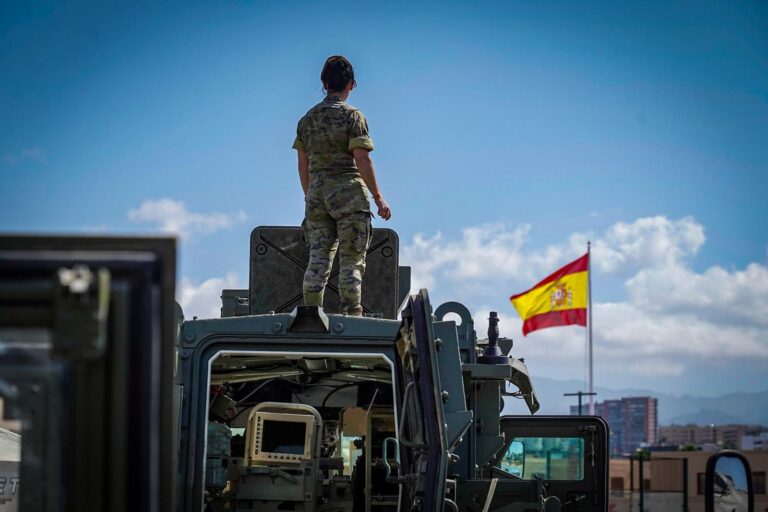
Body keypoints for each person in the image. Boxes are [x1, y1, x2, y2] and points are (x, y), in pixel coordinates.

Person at [292, 55, 392, 316]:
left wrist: (310, 197)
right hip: (349, 196)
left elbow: (303, 166)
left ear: (324, 83)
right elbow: (362, 158)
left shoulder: (307, 120)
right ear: (352, 84)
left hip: (317, 197)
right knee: (352, 261)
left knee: (317, 260)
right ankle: (353, 317)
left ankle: (311, 316)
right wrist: (379, 196)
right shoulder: (353, 117)